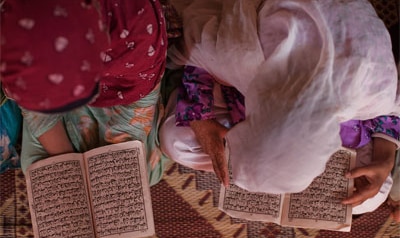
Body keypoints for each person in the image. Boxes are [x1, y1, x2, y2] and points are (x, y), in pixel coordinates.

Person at [159, 0, 400, 217]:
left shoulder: (374, 86)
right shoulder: (240, 54)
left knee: (371, 198)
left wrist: (385, 158)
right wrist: (200, 121)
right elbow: (195, 56)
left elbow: (394, 107)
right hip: (263, 72)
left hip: (337, 73)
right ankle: (271, 165)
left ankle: (272, 165)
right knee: (175, 141)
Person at [0, 0, 170, 185]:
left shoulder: (136, 29)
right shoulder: (13, 33)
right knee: (38, 170)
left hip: (124, 96)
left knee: (143, 172)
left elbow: (142, 97)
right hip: (65, 91)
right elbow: (35, 108)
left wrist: (120, 147)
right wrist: (66, 161)